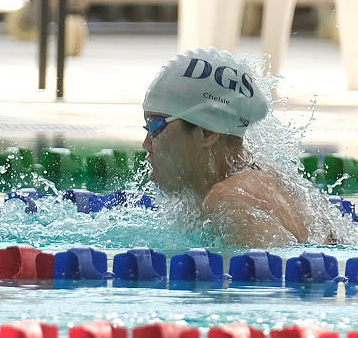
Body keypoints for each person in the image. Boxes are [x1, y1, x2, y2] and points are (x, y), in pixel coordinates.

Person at [142, 47, 331, 247]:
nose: (146, 144)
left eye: (155, 126)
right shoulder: (264, 180)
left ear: (207, 132)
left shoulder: (233, 204)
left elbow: (272, 275)